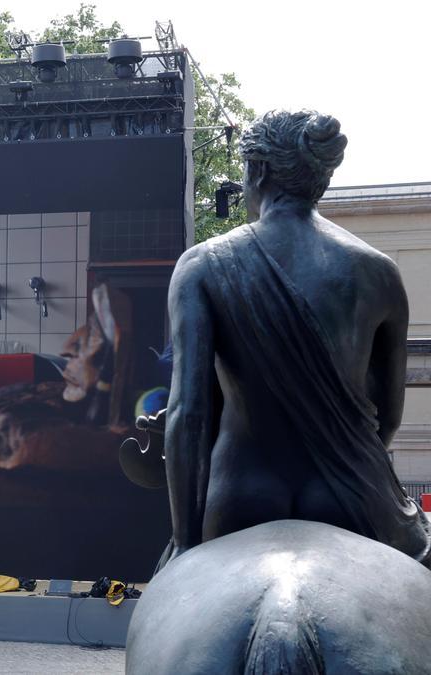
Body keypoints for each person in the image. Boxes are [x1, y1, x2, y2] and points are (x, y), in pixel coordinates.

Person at [163, 110, 430, 569]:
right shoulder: (378, 272)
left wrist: (184, 547)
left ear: (258, 170)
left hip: (241, 495)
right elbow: (387, 420)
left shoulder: (202, 265)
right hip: (351, 498)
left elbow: (189, 415)